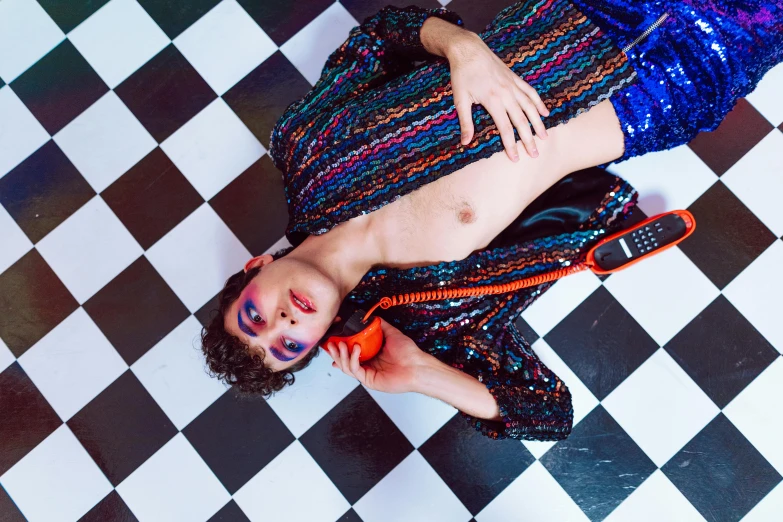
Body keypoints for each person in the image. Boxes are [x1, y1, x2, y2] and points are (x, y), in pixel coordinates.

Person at [201, 0, 782, 441]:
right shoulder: (428, 316)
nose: (281, 322)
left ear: (256, 267)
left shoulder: (303, 149)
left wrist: (461, 48)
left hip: (584, 12)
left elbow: (377, 38)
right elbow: (549, 413)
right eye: (285, 346)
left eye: (255, 315)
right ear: (312, 348)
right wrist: (423, 374)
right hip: (662, 90)